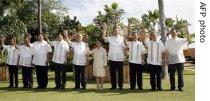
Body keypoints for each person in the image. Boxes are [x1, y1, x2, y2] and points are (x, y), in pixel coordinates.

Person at [102, 23, 126, 90]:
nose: (115, 31)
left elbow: (124, 48)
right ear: (113, 31)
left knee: (120, 73)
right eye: (114, 30)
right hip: (112, 58)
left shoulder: (122, 38)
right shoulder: (110, 38)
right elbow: (103, 38)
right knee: (112, 73)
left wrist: (124, 56)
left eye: (117, 30)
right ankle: (114, 86)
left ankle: (120, 86)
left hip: (120, 58)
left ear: (118, 31)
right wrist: (104, 29)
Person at [126, 22, 145, 90]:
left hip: (139, 62)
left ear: (138, 36)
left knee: (139, 75)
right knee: (132, 75)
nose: (134, 36)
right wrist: (129, 27)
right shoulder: (129, 43)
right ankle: (132, 87)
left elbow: (142, 53)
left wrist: (143, 60)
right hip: (131, 62)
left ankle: (140, 87)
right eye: (133, 35)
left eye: (136, 35)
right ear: (132, 36)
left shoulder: (140, 44)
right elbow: (127, 36)